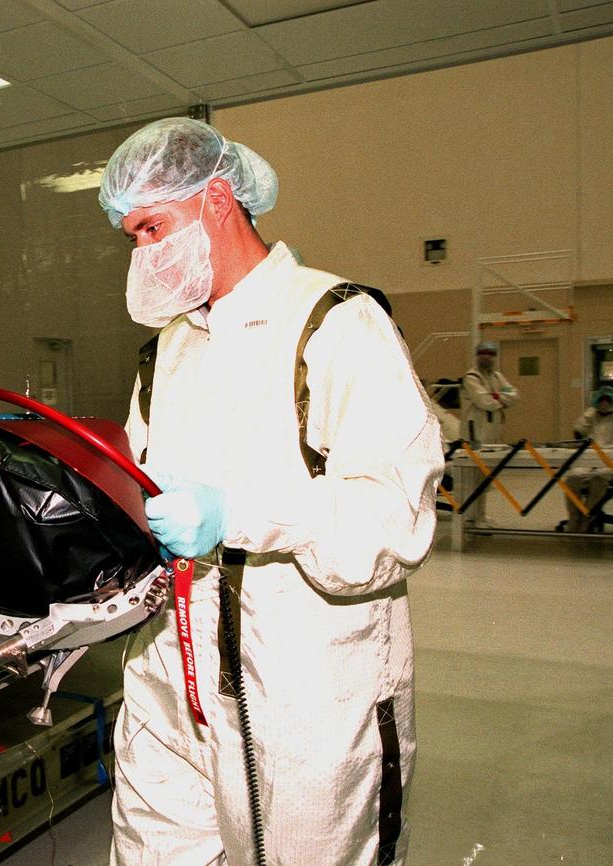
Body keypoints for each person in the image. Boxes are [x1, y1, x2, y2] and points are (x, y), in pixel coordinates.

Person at [97, 117, 443, 865]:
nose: (144, 253)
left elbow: (392, 520)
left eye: (153, 227)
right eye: (132, 237)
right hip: (172, 678)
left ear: (217, 199)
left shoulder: (336, 323)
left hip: (308, 694)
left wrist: (241, 513)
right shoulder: (169, 352)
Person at [561, 386, 613, 533]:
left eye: (607, 399)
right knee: (572, 479)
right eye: (601, 399)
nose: (604, 403)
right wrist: (589, 415)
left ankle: (587, 518)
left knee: (598, 479)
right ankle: (574, 518)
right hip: (589, 458)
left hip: (611, 460)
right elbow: (578, 432)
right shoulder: (591, 415)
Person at [460, 342, 519, 445]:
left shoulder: (497, 377)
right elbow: (485, 402)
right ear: (477, 356)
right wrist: (503, 401)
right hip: (476, 426)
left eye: (490, 353)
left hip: (495, 426)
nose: (486, 356)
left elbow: (514, 395)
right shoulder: (472, 377)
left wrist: (496, 396)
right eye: (483, 353)